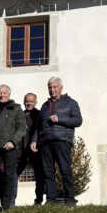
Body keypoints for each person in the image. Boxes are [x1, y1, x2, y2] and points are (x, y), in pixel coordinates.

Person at [30, 76, 83, 205]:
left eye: (55, 87)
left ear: (61, 88)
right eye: (50, 87)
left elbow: (78, 121)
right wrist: (34, 140)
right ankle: (51, 199)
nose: (52, 90)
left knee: (65, 170)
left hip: (62, 140)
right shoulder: (44, 105)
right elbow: (38, 126)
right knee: (48, 172)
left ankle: (70, 199)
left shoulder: (71, 103)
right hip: (45, 142)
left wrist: (59, 119)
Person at [0, 84, 27, 211]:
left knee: (9, 177)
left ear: (9, 94)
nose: (2, 95)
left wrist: (13, 142)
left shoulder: (16, 110)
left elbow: (21, 128)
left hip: (10, 149)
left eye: (4, 93)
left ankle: (6, 205)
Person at [15, 92, 46, 205]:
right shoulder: (19, 115)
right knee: (14, 175)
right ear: (24, 102)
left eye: (31, 101)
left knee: (39, 175)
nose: (29, 103)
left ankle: (38, 200)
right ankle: (10, 202)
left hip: (35, 150)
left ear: (36, 102)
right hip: (21, 151)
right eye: (27, 101)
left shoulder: (39, 114)